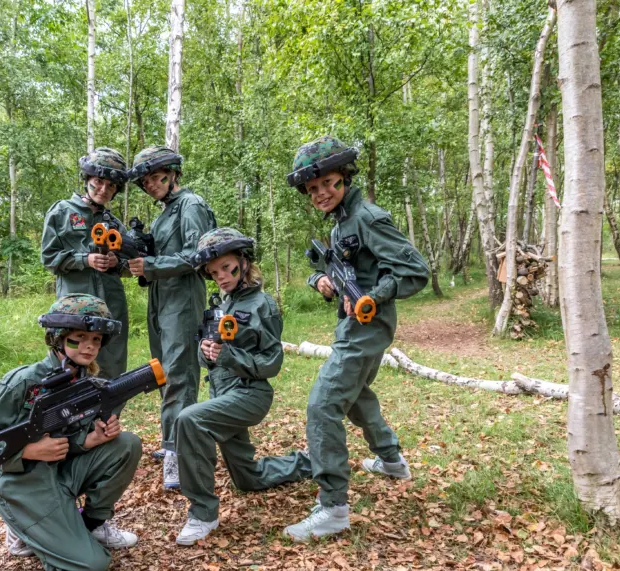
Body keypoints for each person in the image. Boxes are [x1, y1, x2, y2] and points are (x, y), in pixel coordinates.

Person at [281, 136, 429, 541]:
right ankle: (392, 460)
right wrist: (322, 281)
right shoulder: (343, 221)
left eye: (328, 183)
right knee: (356, 395)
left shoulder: (366, 216)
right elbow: (340, 268)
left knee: (323, 404)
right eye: (312, 189)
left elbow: (416, 271)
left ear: (345, 177)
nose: (321, 193)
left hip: (367, 325)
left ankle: (333, 508)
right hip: (354, 325)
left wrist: (371, 297)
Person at [0, 294, 141, 571]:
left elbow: (70, 438)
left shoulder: (84, 381)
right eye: (80, 337)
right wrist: (29, 450)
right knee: (91, 569)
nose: (90, 345)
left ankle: (88, 525)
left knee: (126, 445)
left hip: (63, 472)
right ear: (58, 338)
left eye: (96, 339)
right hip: (26, 484)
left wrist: (90, 440)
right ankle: (24, 529)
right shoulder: (24, 382)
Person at [173, 228, 312, 545]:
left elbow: (272, 363)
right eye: (214, 272)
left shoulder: (263, 304)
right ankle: (312, 461)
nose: (221, 276)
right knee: (249, 478)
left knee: (190, 420)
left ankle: (202, 514)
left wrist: (229, 356)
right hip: (222, 393)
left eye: (226, 267)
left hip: (250, 395)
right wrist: (207, 352)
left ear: (244, 262)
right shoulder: (223, 304)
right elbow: (210, 354)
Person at [125, 146, 216, 490]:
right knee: (163, 371)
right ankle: (171, 440)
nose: (150, 184)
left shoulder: (191, 206)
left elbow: (199, 254)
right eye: (144, 180)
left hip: (183, 300)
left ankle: (180, 452)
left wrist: (153, 265)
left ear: (173, 172)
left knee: (180, 373)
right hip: (160, 300)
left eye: (155, 176)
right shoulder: (165, 213)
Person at [41, 148, 130, 379]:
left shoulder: (113, 222)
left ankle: (108, 415)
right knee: (70, 364)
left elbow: (131, 264)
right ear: (87, 179)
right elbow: (49, 258)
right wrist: (85, 260)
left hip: (111, 303)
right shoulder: (62, 212)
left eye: (111, 186)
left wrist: (115, 261)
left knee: (112, 362)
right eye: (99, 182)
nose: (104, 189)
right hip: (73, 306)